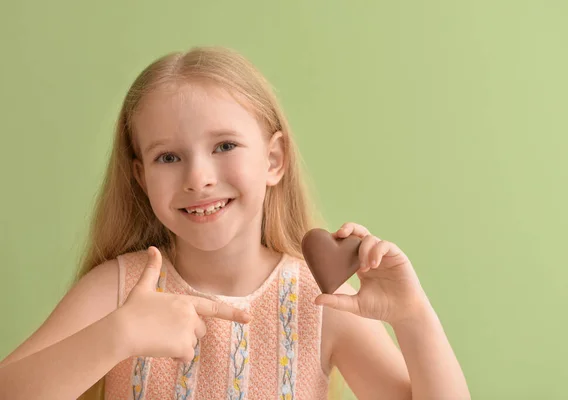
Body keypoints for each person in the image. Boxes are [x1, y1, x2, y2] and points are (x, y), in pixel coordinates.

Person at [0, 47, 470, 400]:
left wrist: (413, 318)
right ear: (141, 177)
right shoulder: (120, 290)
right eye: (168, 156)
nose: (198, 178)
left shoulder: (320, 300)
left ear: (274, 159)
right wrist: (117, 335)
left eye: (224, 146)